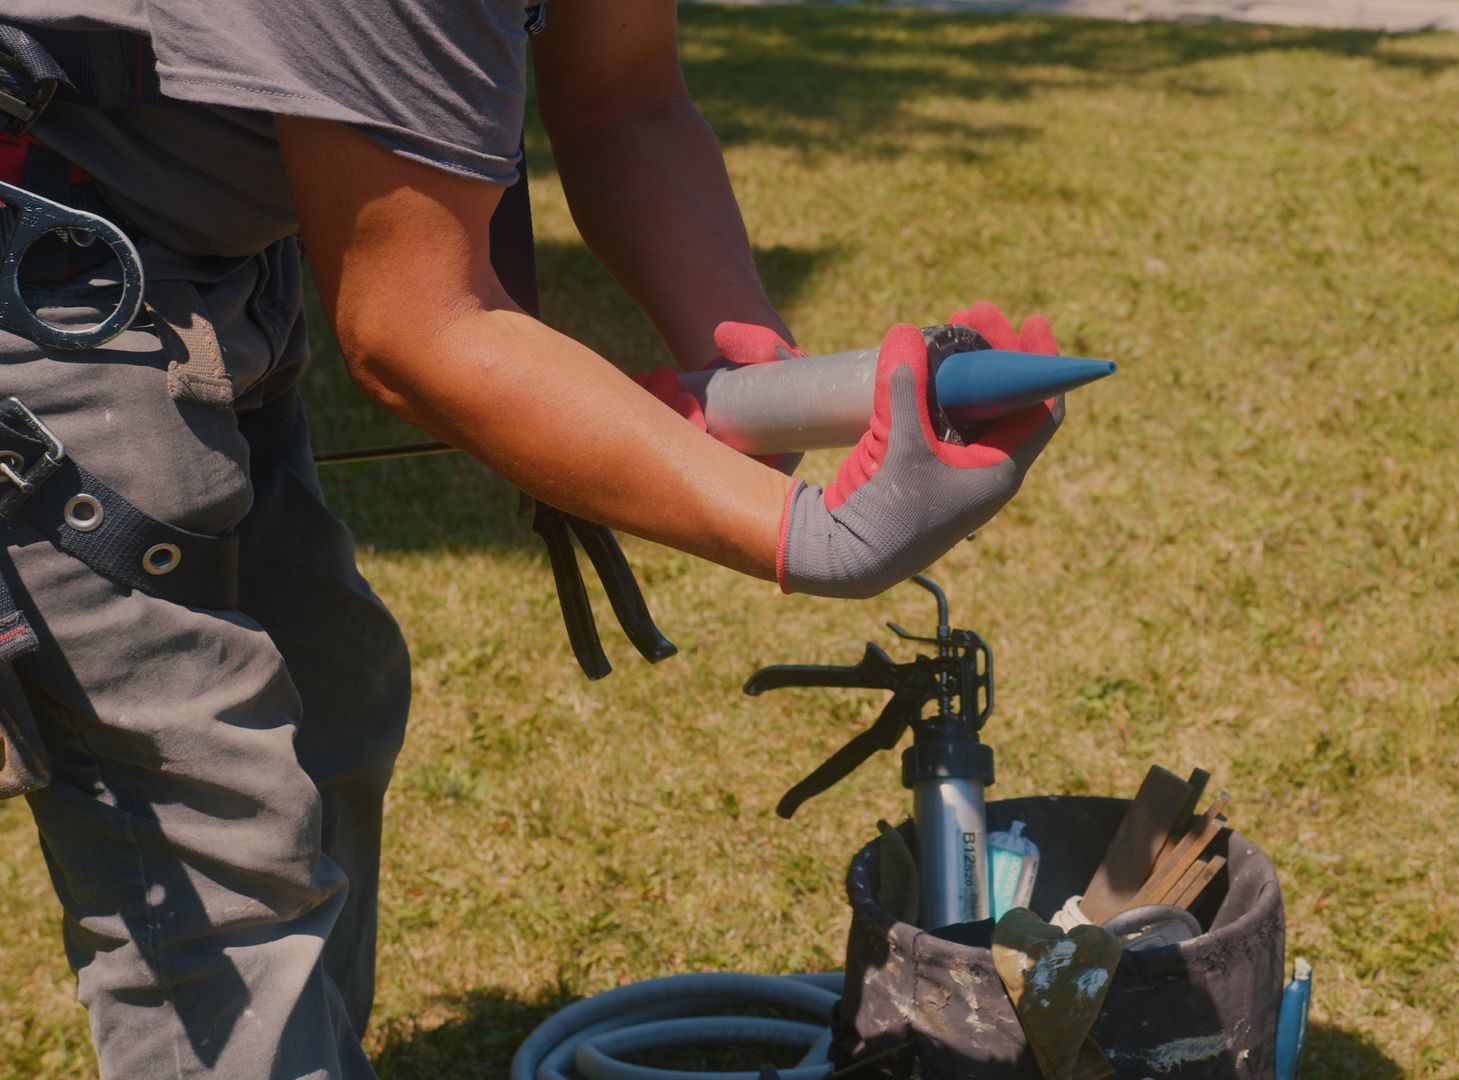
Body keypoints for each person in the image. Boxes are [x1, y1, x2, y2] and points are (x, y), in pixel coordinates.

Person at [0, 1, 1064, 1076]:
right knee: (217, 835)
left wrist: (755, 372)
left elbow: (622, 104)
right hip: (46, 270)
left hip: (192, 258)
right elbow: (412, 329)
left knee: (331, 699)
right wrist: (810, 540)